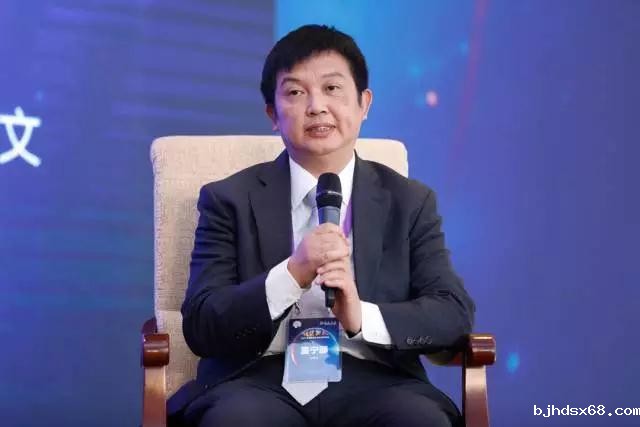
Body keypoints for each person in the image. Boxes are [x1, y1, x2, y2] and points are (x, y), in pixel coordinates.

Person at [168, 24, 475, 427]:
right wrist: (291, 274)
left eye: (332, 88)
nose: (316, 106)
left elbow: (451, 313)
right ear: (272, 115)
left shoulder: (409, 201)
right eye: (296, 92)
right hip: (256, 381)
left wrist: (361, 317)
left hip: (378, 381)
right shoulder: (229, 199)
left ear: (364, 104)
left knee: (417, 420)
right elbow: (201, 322)